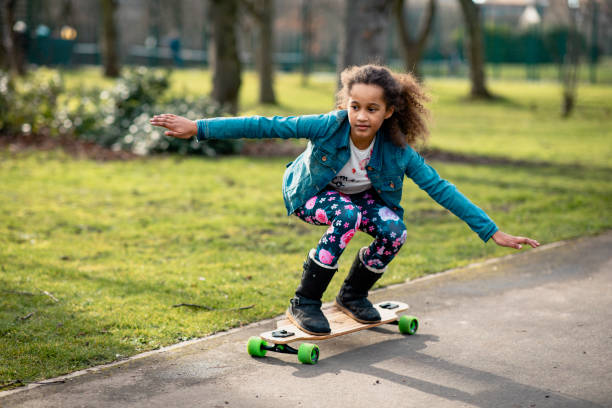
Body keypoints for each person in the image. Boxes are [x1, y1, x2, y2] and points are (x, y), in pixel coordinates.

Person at [150, 64, 539, 336]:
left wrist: (492, 232)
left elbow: (441, 188)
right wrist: (197, 128)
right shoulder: (328, 126)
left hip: (354, 202)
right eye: (355, 107)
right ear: (345, 105)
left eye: (372, 109)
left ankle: (353, 295)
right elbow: (264, 125)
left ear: (388, 112)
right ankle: (305, 301)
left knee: (394, 230)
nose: (362, 116)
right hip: (310, 196)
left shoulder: (398, 151)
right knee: (347, 216)